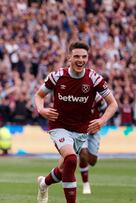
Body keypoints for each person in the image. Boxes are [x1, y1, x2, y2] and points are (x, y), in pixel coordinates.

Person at [34, 41, 118, 203]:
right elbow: (39, 96)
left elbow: (113, 104)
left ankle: (44, 183)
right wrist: (42, 110)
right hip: (59, 126)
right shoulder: (57, 76)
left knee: (64, 168)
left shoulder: (94, 78)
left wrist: (102, 120)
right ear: (69, 58)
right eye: (77, 56)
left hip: (81, 130)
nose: (81, 59)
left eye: (84, 56)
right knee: (72, 159)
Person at [79, 93, 107, 194]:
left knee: (92, 161)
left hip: (94, 130)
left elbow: (105, 107)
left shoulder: (97, 97)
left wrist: (100, 121)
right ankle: (86, 184)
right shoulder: (76, 95)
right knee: (83, 154)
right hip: (80, 130)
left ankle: (89, 157)